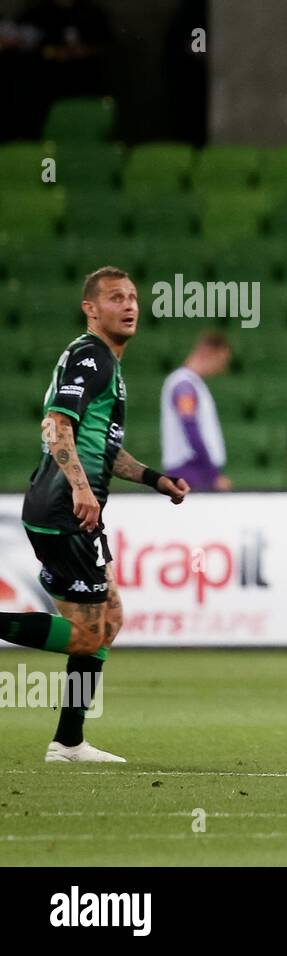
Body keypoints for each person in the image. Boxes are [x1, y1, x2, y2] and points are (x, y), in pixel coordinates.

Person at [0, 267, 189, 763]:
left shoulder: (105, 362)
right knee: (88, 633)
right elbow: (56, 425)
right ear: (91, 308)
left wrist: (152, 477)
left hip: (70, 506)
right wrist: (82, 490)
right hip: (66, 507)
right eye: (114, 298)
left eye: (132, 297)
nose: (129, 305)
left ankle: (68, 740)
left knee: (108, 618)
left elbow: (103, 447)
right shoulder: (92, 356)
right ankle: (66, 741)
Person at [160, 330, 231, 492]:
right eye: (221, 360)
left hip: (195, 469)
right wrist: (211, 474)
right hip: (190, 471)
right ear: (208, 352)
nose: (222, 368)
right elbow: (189, 425)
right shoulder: (184, 385)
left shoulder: (192, 384)